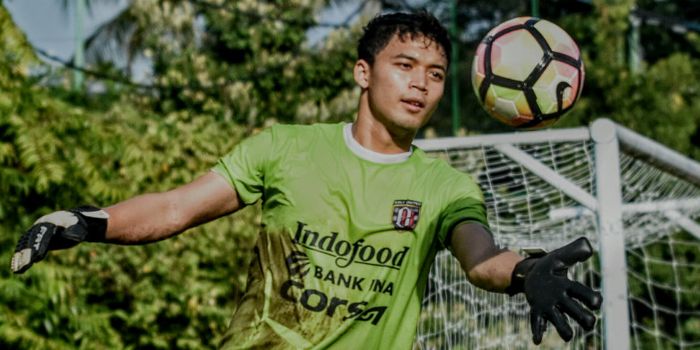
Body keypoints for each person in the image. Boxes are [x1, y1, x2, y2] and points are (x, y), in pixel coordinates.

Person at [11, 11, 601, 349]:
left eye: (437, 74)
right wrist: (86, 222)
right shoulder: (284, 147)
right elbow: (173, 211)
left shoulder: (447, 187)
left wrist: (525, 271)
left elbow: (480, 259)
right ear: (363, 73)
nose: (421, 84)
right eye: (405, 66)